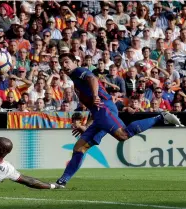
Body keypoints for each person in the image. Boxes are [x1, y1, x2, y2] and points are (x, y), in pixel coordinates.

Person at [55, 53, 183, 188]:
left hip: (105, 108)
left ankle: (160, 117)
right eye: (61, 63)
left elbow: (92, 78)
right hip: (99, 113)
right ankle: (62, 181)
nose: (64, 65)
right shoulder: (76, 82)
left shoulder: (80, 71)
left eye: (66, 62)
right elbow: (93, 108)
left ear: (75, 61)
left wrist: (94, 95)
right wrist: (87, 126)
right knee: (79, 148)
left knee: (123, 134)